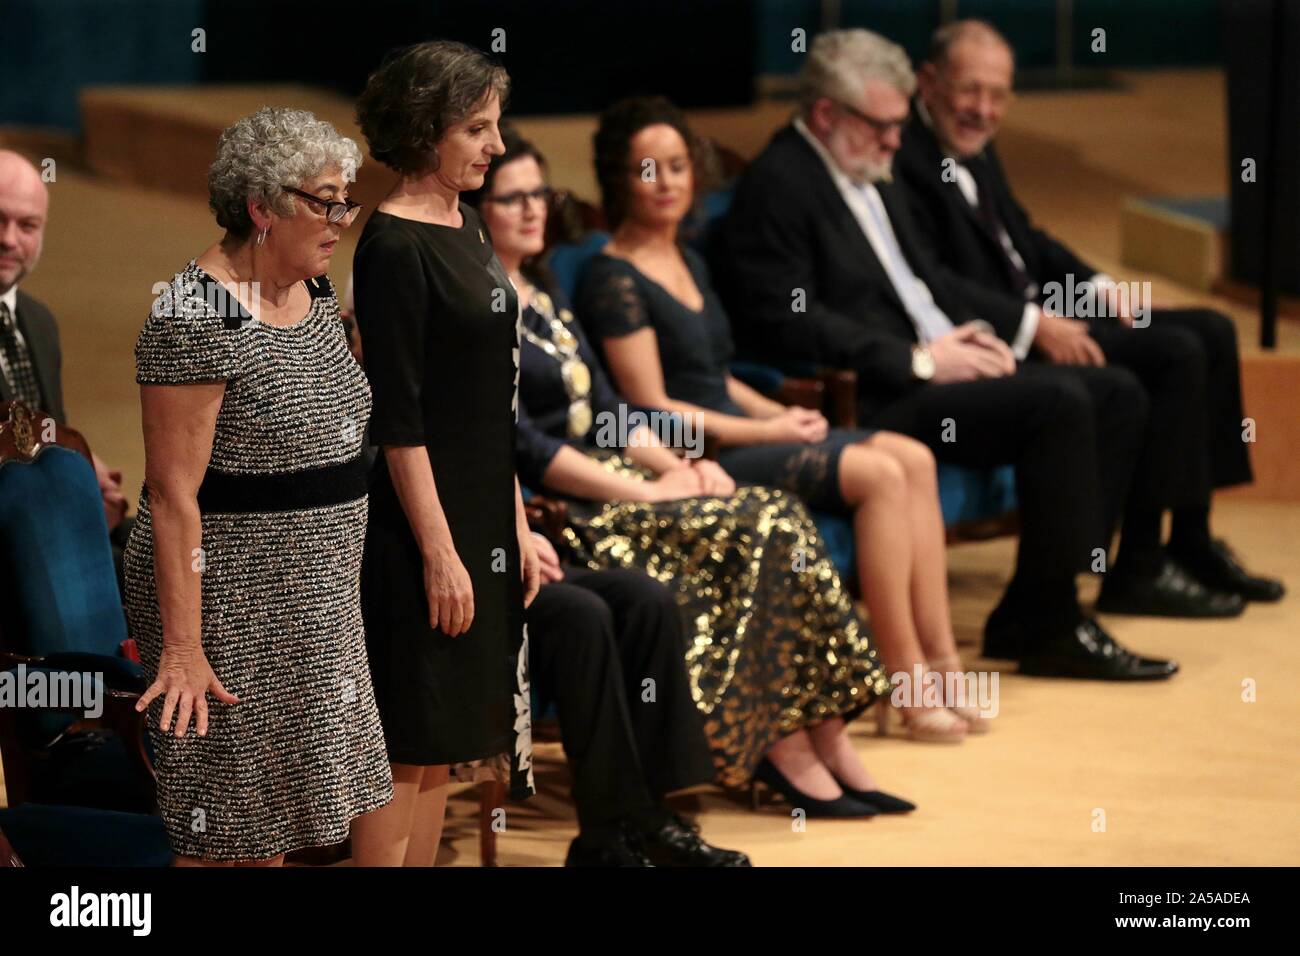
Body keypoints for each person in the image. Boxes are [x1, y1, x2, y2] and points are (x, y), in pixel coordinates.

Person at [466, 127, 914, 817]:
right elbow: (523, 446)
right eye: (511, 198)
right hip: (570, 508)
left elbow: (612, 408)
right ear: (476, 209)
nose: (533, 211)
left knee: (770, 510)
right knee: (762, 521)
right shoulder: (479, 301)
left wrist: (683, 467)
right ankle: (781, 748)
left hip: (623, 477)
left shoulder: (544, 286)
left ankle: (825, 736)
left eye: (540, 194)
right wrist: (649, 489)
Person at [713, 28, 1177, 681]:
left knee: (1115, 388)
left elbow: (925, 274)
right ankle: (1050, 622)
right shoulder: (779, 185)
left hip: (939, 360)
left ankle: (1036, 602)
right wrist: (920, 358)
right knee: (1059, 400)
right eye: (883, 126)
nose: (897, 142)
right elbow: (787, 322)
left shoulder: (869, 166)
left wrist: (978, 334)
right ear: (825, 113)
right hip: (882, 391)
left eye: (901, 125)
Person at [577, 96, 988, 740]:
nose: (668, 184)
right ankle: (907, 684)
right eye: (648, 169)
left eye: (679, 166)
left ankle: (943, 663)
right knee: (880, 476)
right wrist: (767, 431)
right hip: (698, 451)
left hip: (741, 429)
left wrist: (785, 412)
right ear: (620, 179)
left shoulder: (689, 258)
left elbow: (721, 378)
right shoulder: (613, 277)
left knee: (916, 456)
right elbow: (653, 405)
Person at [897, 18, 1283, 610]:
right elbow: (932, 282)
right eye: (969, 90)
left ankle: (1191, 539)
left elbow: (1027, 238)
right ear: (929, 82)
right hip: (996, 336)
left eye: (999, 94)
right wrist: (1036, 326)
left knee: (1210, 328)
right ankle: (1139, 569)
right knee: (1172, 353)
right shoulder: (900, 157)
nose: (983, 109)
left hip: (1044, 309)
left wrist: (1102, 290)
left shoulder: (975, 143)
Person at [122, 107, 392, 865]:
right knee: (227, 827)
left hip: (315, 603)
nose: (342, 218)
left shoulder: (312, 291)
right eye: (325, 200)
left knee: (277, 823)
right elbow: (173, 495)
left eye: (347, 200)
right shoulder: (194, 313)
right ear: (261, 206)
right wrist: (181, 649)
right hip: (228, 602)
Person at [350, 40, 539, 867]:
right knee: (407, 736)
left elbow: (491, 399)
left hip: (479, 515)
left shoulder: (462, 224)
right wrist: (440, 552)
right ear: (427, 132)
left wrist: (517, 522)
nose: (496, 147)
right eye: (477, 129)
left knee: (441, 744)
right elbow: (401, 418)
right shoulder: (393, 245)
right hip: (421, 527)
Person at [527, 532, 749, 866]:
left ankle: (648, 818)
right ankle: (604, 835)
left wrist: (520, 534)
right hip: (465, 568)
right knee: (581, 614)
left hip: (507, 551)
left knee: (646, 599)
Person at [0, 150, 131, 588]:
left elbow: (47, 430)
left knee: (148, 545)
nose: (9, 239)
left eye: (27, 226)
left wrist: (84, 470)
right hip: (15, 539)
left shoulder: (39, 322)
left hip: (51, 523)